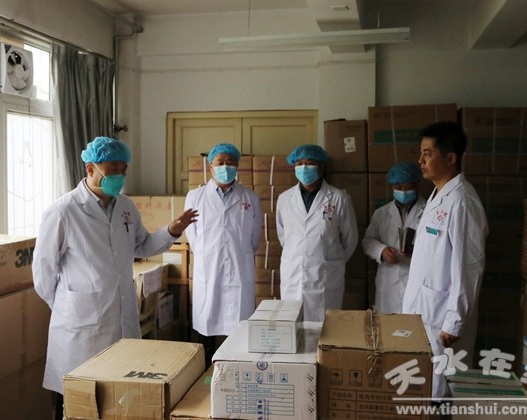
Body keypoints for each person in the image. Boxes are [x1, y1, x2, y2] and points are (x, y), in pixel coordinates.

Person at [32, 136, 198, 420]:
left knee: (117, 398)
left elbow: (141, 245)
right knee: (78, 400)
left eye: (123, 169)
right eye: (113, 169)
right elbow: (43, 272)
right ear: (90, 169)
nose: (119, 175)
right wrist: (67, 306)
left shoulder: (126, 207)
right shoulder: (63, 211)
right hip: (79, 325)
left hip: (121, 318)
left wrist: (171, 230)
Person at [402, 122, 488, 401]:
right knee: (426, 387)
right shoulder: (437, 196)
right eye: (420, 153)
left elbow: (469, 267)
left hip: (443, 319)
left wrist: (454, 321)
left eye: (427, 154)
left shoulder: (462, 201)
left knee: (442, 392)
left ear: (450, 158)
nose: (420, 160)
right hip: (425, 311)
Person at [184, 143, 262, 368]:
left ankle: (236, 371)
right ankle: (204, 375)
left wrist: (240, 253)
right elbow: (192, 234)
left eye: (230, 162)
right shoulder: (195, 196)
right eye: (220, 162)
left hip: (240, 269)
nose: (225, 167)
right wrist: (206, 253)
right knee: (206, 328)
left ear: (237, 166)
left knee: (238, 329)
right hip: (208, 269)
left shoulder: (250, 197)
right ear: (210, 167)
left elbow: (255, 235)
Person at [276, 144, 358, 322]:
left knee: (324, 328)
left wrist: (330, 260)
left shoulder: (339, 198)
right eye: (299, 163)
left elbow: (350, 238)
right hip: (293, 273)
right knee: (292, 324)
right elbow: (283, 236)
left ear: (321, 166)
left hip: (326, 275)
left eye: (310, 163)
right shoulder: (284, 199)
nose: (304, 168)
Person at [362, 162, 426, 314]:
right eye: (398, 187)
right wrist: (381, 251)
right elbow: (368, 241)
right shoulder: (381, 213)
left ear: (417, 185)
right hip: (389, 282)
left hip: (417, 278)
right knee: (387, 325)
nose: (403, 191)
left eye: (408, 187)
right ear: (392, 186)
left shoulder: (429, 211)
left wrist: (416, 252)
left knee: (415, 324)